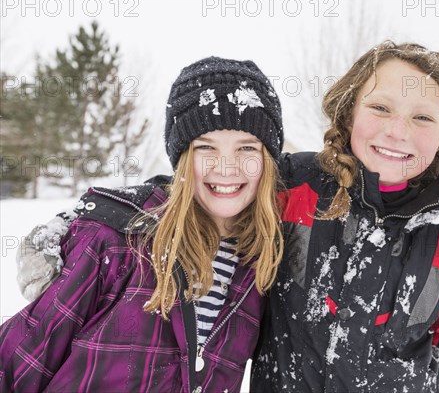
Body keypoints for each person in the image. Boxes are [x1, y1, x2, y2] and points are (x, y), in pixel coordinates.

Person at [0, 56, 285, 393]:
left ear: (268, 162)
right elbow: (16, 364)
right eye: (205, 147)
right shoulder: (117, 242)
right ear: (181, 159)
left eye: (247, 148)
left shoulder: (259, 267)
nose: (226, 167)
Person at [250, 41, 439, 392]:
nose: (398, 131)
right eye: (381, 107)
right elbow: (202, 196)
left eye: (422, 117)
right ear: (348, 112)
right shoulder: (289, 190)